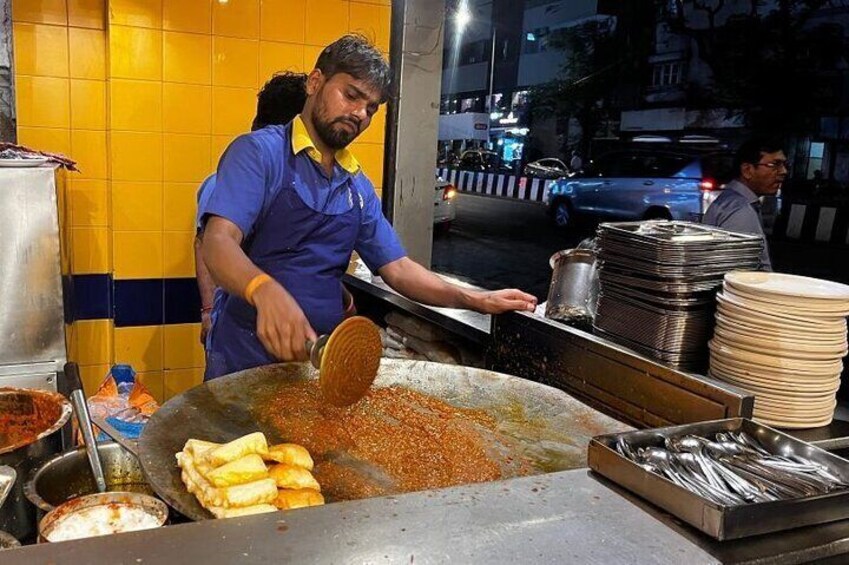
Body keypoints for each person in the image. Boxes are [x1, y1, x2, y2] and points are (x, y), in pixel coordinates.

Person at [200, 34, 537, 380]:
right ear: (316, 82)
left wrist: (476, 300)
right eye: (351, 95)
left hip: (316, 365)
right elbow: (218, 241)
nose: (360, 113)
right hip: (244, 359)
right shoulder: (259, 154)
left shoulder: (356, 186)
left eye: (371, 107)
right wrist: (263, 289)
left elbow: (400, 270)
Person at [195, 72, 308, 345]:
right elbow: (205, 245)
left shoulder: (304, 184)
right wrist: (209, 310)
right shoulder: (229, 179)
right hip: (237, 326)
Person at [702, 136, 788, 271]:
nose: (783, 171)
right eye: (774, 165)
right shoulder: (739, 211)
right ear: (747, 170)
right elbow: (740, 276)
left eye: (784, 165)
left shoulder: (732, 202)